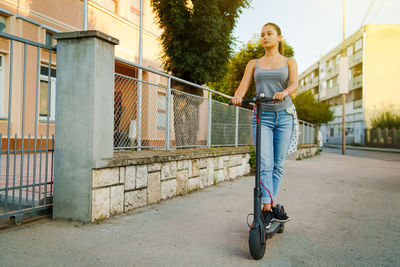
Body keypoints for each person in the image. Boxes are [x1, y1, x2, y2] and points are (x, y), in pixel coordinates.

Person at [231, 22, 299, 229]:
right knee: (264, 164)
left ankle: (271, 205)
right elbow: (243, 86)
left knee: (278, 164)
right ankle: (267, 209)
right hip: (263, 116)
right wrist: (237, 97)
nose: (265, 37)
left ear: (279, 37)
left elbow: (295, 83)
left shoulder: (289, 61)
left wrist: (284, 93)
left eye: (269, 34)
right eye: (262, 34)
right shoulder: (254, 63)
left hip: (285, 115)